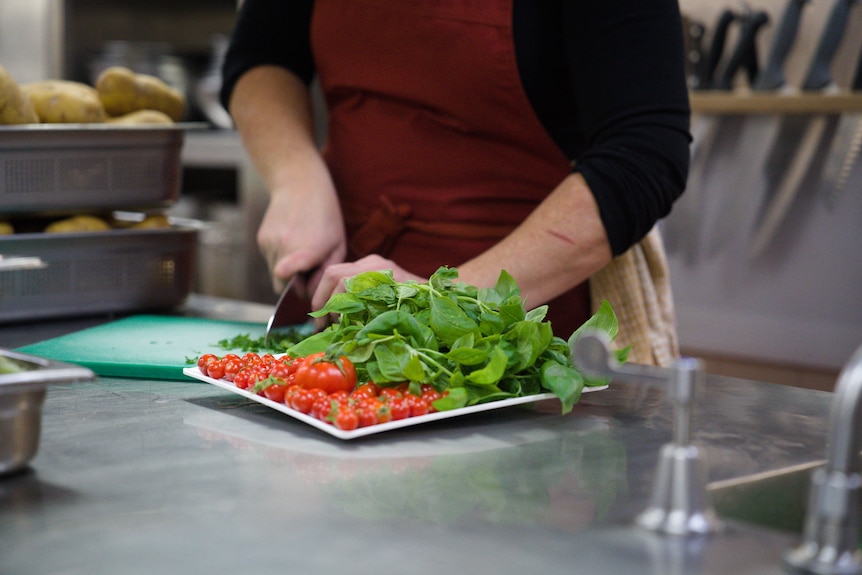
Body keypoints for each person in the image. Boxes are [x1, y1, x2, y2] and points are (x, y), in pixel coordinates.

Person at [220, 0, 691, 366]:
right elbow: (263, 54)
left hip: (531, 324)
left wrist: (445, 303)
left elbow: (643, 154)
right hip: (349, 314)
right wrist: (296, 177)